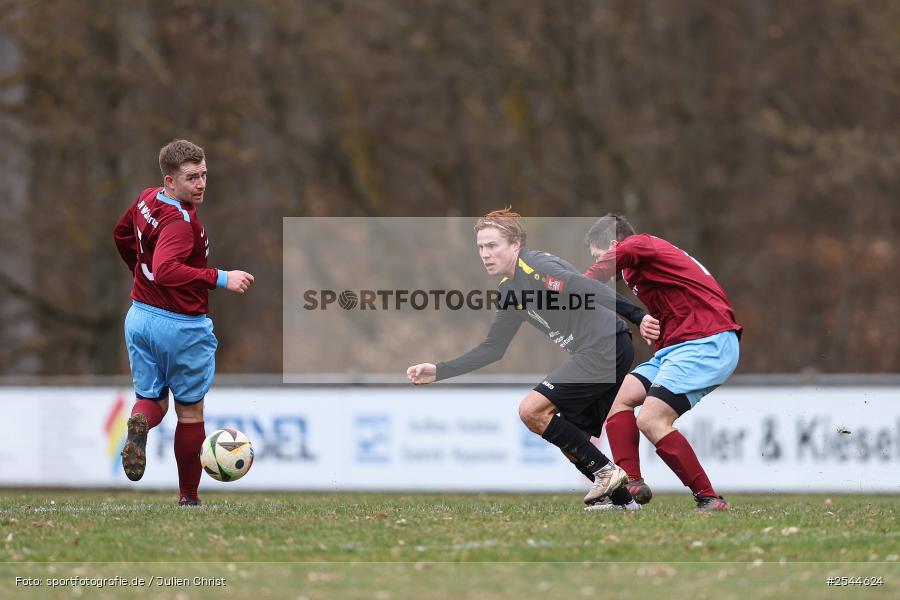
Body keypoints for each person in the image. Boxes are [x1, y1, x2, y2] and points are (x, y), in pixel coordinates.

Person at [406, 208, 659, 510]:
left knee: (531, 410)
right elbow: (493, 348)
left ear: (515, 244)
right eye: (480, 247)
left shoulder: (535, 266)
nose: (485, 254)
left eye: (492, 245)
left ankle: (607, 473)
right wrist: (439, 370)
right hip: (602, 349)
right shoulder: (509, 292)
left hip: (606, 344)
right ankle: (625, 504)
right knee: (572, 440)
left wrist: (637, 315)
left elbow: (585, 286)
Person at [113, 139, 254, 506]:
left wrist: (137, 274)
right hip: (180, 327)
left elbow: (122, 235)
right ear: (170, 181)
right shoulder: (180, 222)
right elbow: (166, 269)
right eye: (192, 177)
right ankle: (189, 499)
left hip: (140, 317)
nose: (201, 184)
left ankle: (137, 426)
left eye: (204, 175)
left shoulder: (147, 199)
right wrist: (222, 277)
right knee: (190, 412)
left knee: (150, 401)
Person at [584, 214, 742, 512]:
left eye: (600, 254)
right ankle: (628, 484)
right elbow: (680, 299)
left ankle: (709, 499)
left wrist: (576, 281)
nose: (601, 262)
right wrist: (648, 323)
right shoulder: (641, 263)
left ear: (616, 245)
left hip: (708, 341)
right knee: (618, 399)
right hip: (682, 345)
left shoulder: (639, 244)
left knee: (651, 419)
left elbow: (596, 276)